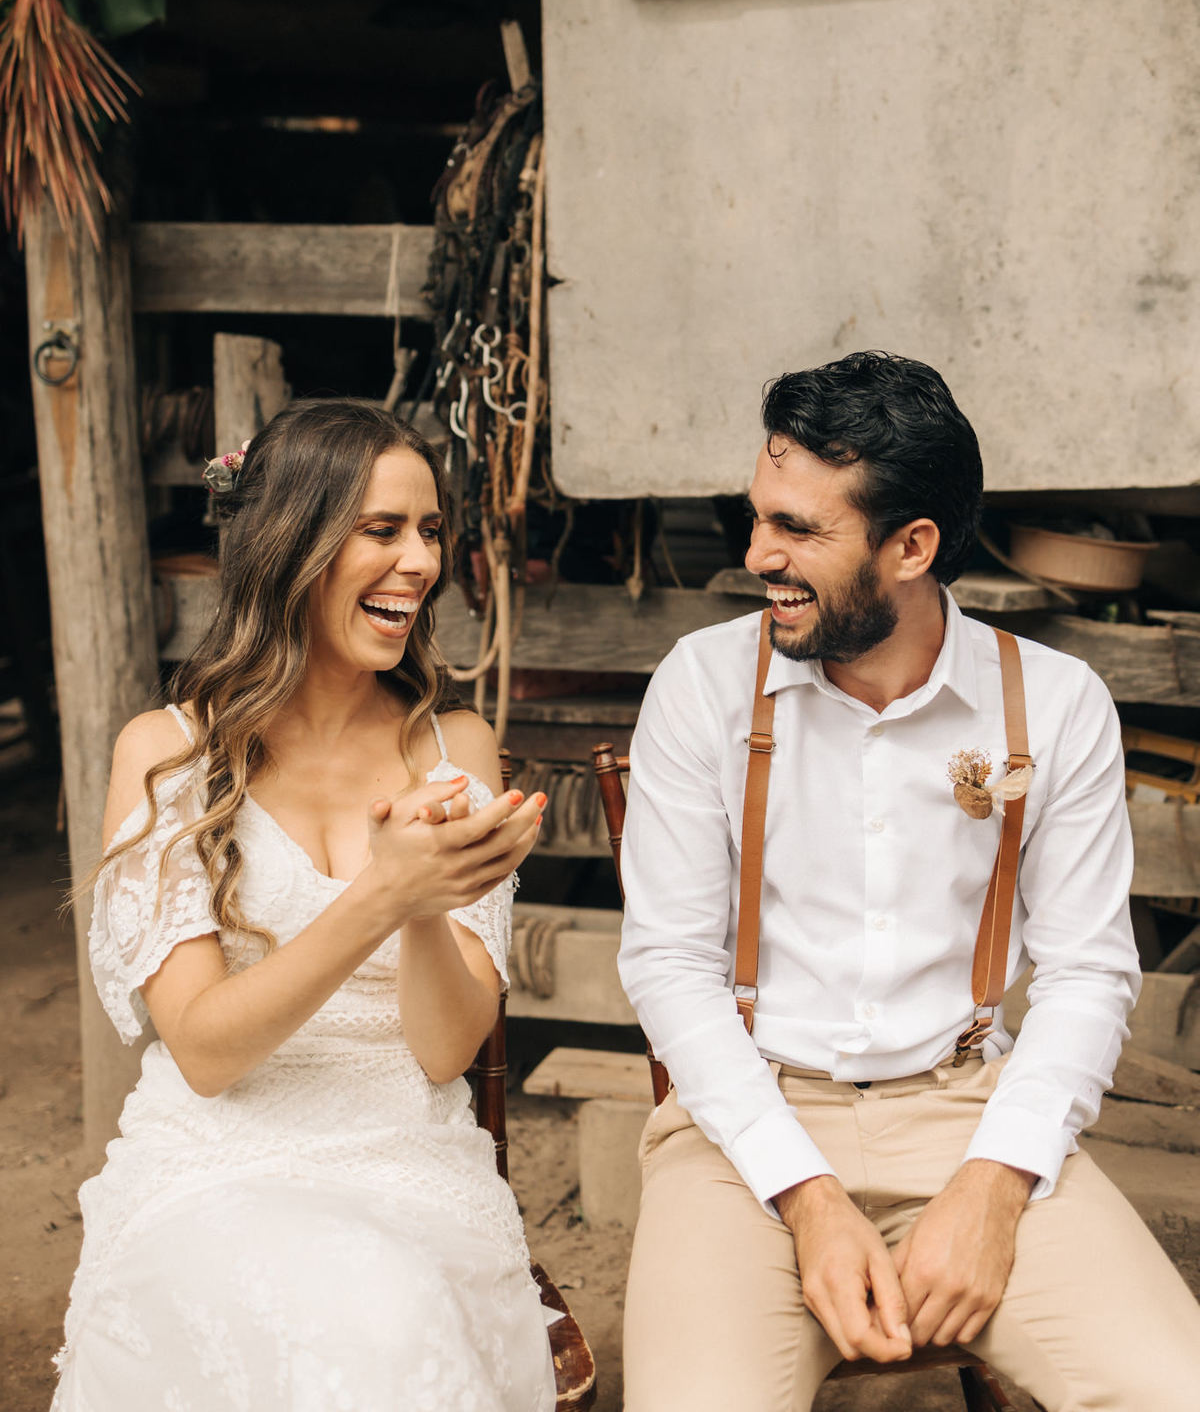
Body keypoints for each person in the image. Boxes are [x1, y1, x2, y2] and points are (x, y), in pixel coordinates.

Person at [618, 352, 1200, 1412]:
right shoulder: (702, 689)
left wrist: (996, 1183)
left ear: (912, 547)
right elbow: (668, 962)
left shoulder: (1056, 704)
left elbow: (1086, 972)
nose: (759, 554)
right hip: (743, 1124)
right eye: (761, 519)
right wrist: (805, 1197)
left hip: (971, 1108)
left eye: (800, 530)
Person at [53, 398, 554, 1411]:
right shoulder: (168, 756)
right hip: (216, 1159)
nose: (419, 561)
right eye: (381, 530)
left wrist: (422, 902)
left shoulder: (453, 748)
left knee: (391, 1311)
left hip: (404, 1151)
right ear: (291, 540)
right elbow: (203, 1047)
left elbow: (444, 1049)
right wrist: (384, 892)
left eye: (428, 531)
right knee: (298, 1308)